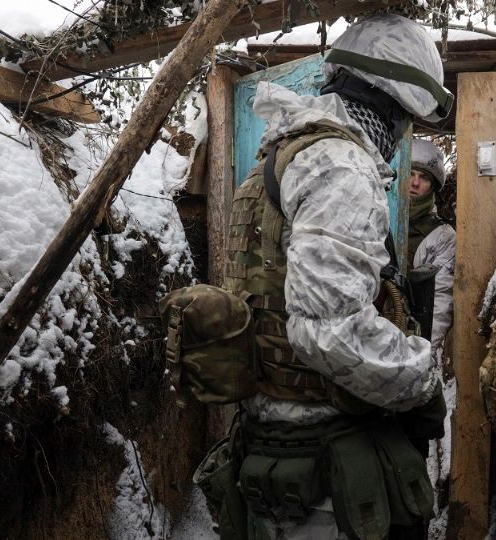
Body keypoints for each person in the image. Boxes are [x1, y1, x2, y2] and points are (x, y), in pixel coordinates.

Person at [193, 13, 454, 540]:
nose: (402, 134)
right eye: (406, 119)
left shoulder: (281, 153)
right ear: (392, 105)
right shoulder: (339, 166)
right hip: (322, 470)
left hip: (274, 444)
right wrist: (421, 380)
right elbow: (328, 330)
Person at [407, 139, 455, 365]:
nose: (415, 183)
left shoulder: (442, 235)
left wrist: (421, 354)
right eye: (410, 173)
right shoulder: (376, 214)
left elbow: (439, 300)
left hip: (407, 336)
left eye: (424, 177)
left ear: (433, 186)